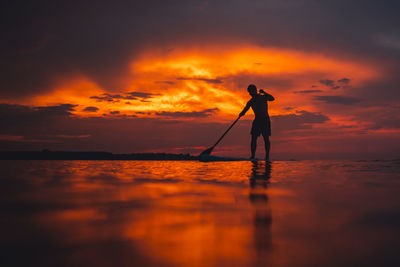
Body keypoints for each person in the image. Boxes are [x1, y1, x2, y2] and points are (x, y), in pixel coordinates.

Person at [239, 84, 275, 160]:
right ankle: (252, 156)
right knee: (253, 138)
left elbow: (272, 98)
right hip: (257, 120)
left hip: (265, 120)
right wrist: (241, 113)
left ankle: (267, 157)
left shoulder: (263, 97)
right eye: (249, 92)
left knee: (266, 138)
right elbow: (245, 109)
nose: (250, 93)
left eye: (251, 91)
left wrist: (264, 92)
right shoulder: (250, 102)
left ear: (255, 91)